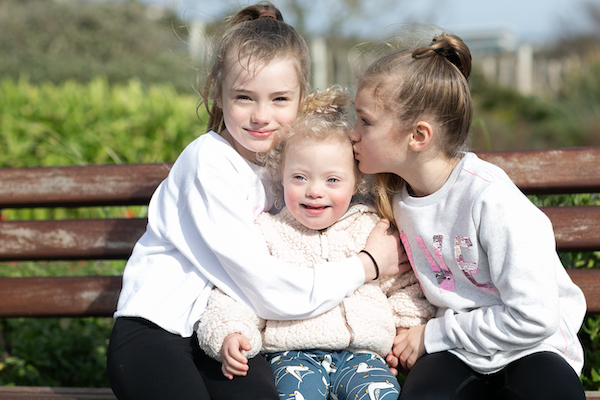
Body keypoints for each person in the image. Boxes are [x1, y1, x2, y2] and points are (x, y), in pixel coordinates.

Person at [106, 3, 407, 400]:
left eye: (280, 99)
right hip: (158, 331)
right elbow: (263, 285)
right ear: (218, 91)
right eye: (244, 97)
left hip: (231, 336)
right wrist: (366, 265)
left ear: (302, 97)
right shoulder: (208, 162)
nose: (261, 116)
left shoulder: (284, 169)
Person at [350, 31, 587, 400]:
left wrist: (432, 336)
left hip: (533, 347)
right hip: (455, 353)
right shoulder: (391, 193)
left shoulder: (490, 198)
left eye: (365, 121)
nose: (353, 133)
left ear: (418, 135)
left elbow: (535, 317)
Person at [196, 86, 434, 400]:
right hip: (292, 356)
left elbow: (404, 286)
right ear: (280, 175)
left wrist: (405, 330)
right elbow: (236, 294)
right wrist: (232, 333)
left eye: (332, 180)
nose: (315, 191)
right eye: (300, 177)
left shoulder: (370, 228)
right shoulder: (268, 232)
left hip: (364, 355)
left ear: (356, 181)